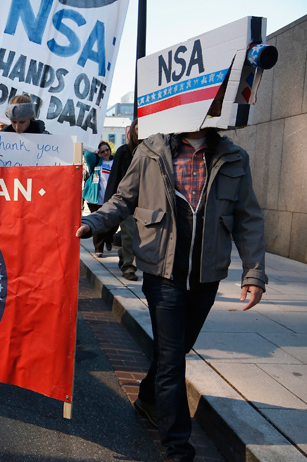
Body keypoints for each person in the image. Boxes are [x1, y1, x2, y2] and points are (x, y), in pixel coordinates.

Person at [75, 126, 267, 461]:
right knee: (173, 358)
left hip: (207, 277)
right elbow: (123, 199)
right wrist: (94, 222)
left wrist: (254, 272)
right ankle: (178, 448)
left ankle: (148, 397)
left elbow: (247, 217)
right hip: (162, 274)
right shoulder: (151, 150)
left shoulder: (235, 157)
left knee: (176, 351)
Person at [104, 119, 140, 281]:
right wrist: (109, 202)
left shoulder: (154, 151)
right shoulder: (124, 151)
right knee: (129, 234)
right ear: (133, 131)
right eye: (138, 129)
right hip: (127, 201)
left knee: (141, 237)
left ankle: (123, 253)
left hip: (148, 202)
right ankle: (128, 266)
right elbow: (115, 176)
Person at [82, 140, 115, 257]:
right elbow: (87, 154)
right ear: (98, 153)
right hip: (95, 199)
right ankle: (98, 248)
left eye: (107, 150)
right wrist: (94, 143)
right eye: (102, 151)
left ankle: (109, 237)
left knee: (113, 223)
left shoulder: (115, 162)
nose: (106, 152)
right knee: (97, 223)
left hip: (111, 199)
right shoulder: (95, 162)